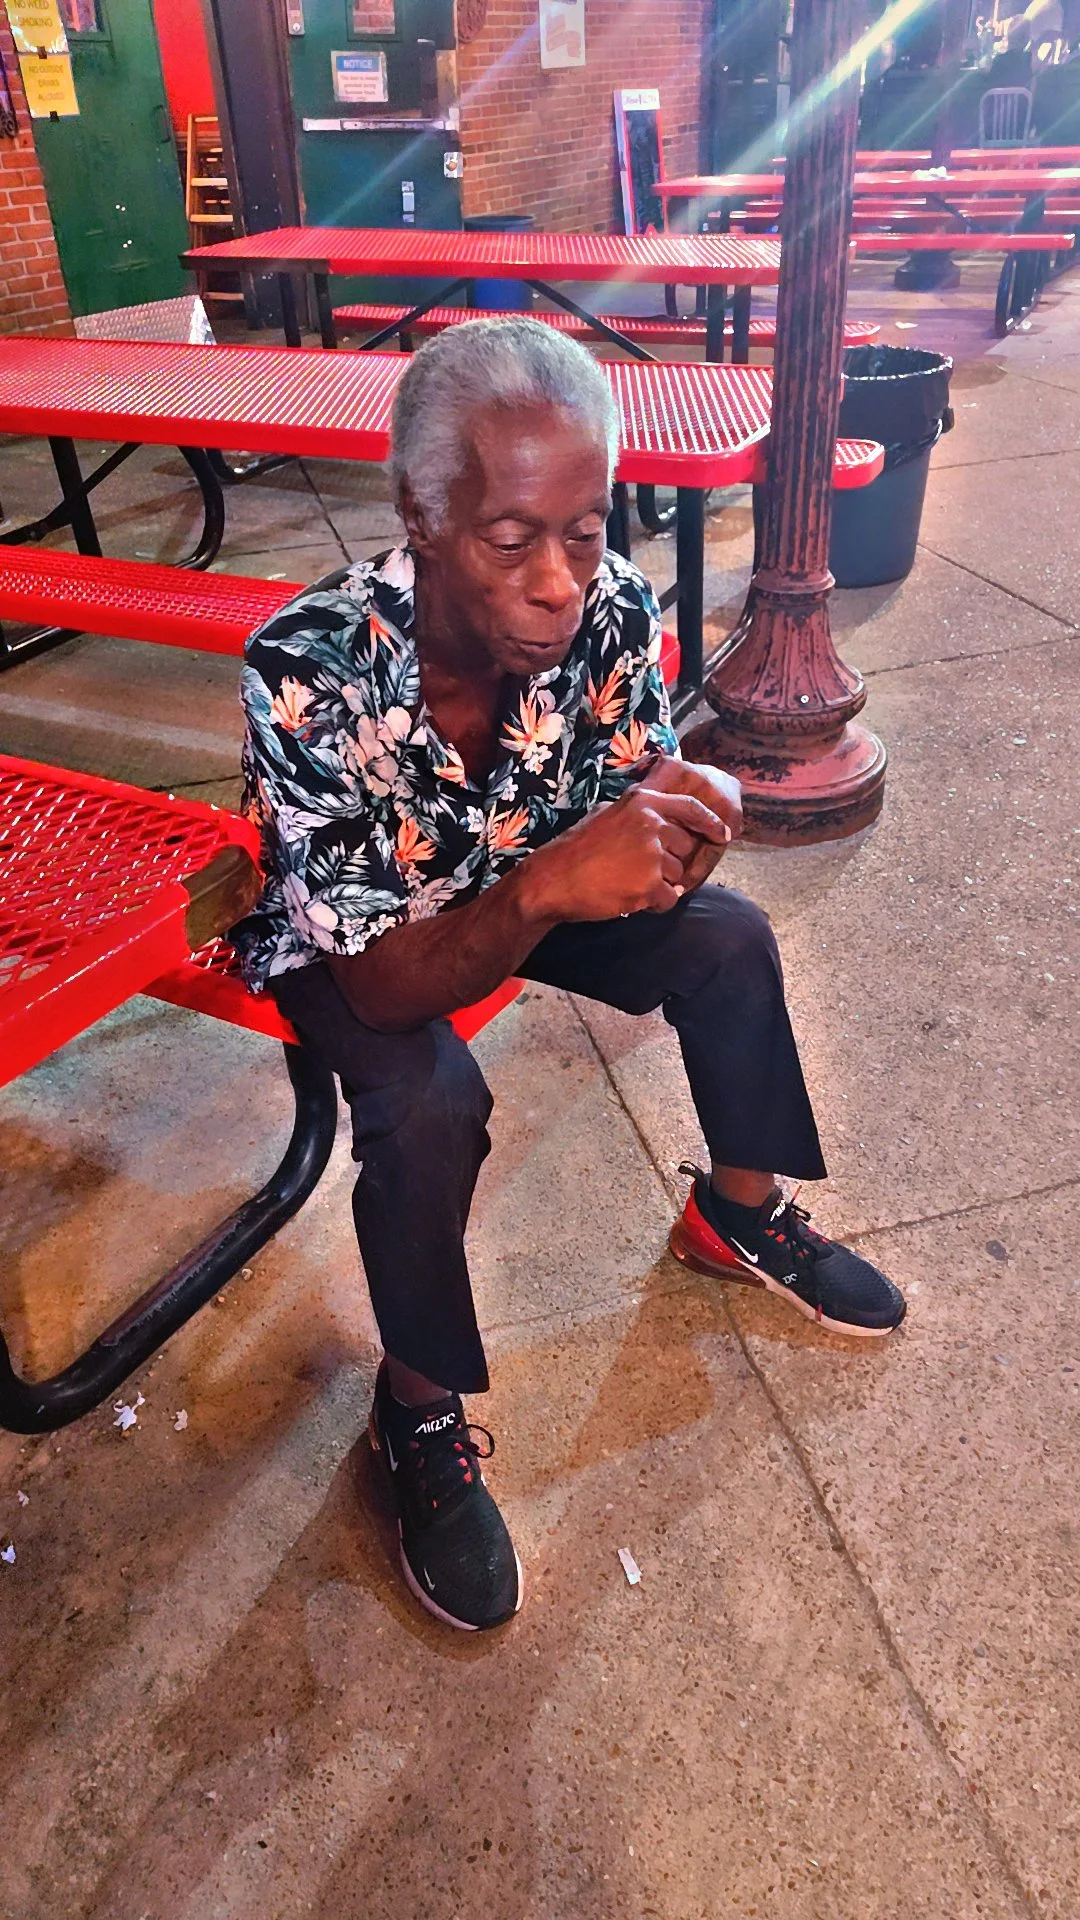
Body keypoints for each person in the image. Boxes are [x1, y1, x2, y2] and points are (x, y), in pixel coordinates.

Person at [233, 319, 906, 1634]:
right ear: (426, 519)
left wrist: (686, 811)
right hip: (359, 942)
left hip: (529, 871)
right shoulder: (311, 667)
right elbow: (377, 991)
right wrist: (545, 887)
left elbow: (624, 784)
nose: (559, 581)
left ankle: (739, 1213)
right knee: (428, 1104)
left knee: (730, 942)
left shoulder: (611, 609)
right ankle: (419, 1410)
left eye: (587, 531)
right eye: (510, 540)